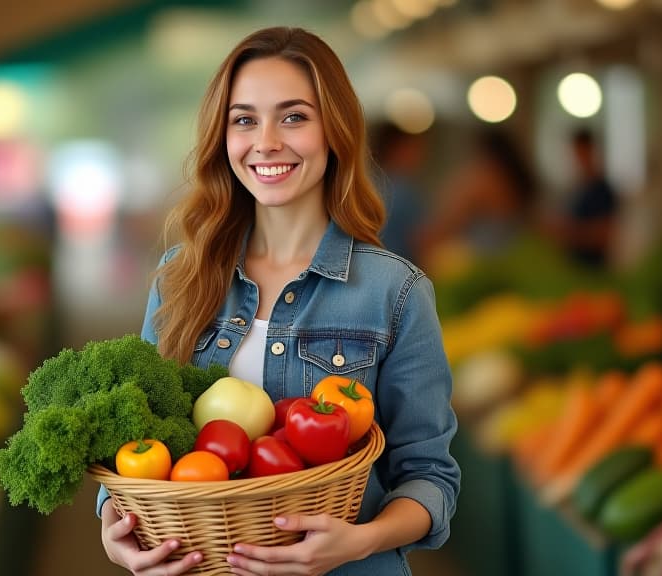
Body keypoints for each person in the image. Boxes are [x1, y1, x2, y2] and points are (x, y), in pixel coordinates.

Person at [98, 27, 460, 575]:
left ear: (333, 131)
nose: (265, 141)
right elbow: (135, 441)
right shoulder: (180, 279)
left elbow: (430, 476)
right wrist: (112, 529)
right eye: (244, 119)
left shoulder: (397, 292)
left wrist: (361, 540)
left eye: (293, 116)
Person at [418, 127, 536, 267]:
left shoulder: (482, 180)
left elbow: (442, 226)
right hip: (512, 263)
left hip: (478, 265)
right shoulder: (515, 183)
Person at [552, 127, 619, 269]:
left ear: (591, 151)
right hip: (571, 267)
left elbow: (605, 234)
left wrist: (569, 233)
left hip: (593, 269)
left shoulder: (602, 189)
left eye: (581, 152)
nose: (578, 158)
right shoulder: (576, 188)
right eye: (575, 153)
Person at [369, 120, 430, 263]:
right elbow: (421, 240)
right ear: (398, 149)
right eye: (414, 148)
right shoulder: (403, 191)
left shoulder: (371, 186)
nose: (421, 156)